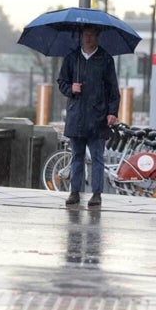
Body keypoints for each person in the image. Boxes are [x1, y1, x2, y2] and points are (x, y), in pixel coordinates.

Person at [57, 26, 120, 207]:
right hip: (77, 116)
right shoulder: (72, 58)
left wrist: (112, 112)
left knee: (97, 157)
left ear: (98, 37)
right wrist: (71, 89)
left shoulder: (105, 60)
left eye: (92, 35)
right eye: (86, 35)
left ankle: (96, 194)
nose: (89, 38)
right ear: (81, 36)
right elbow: (61, 82)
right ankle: (74, 192)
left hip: (98, 118)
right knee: (77, 156)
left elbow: (113, 90)